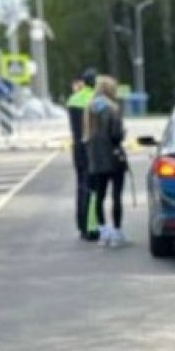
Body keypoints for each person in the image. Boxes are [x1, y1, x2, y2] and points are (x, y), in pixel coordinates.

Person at [83, 75, 129, 248]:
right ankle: (117, 232)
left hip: (95, 158)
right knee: (116, 196)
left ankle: (103, 232)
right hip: (113, 157)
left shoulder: (90, 108)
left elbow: (87, 134)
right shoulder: (112, 108)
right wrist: (123, 133)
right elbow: (116, 135)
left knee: (99, 196)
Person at [67, 68, 99, 241]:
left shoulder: (73, 99)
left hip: (77, 148)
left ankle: (80, 224)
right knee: (92, 188)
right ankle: (91, 227)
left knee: (80, 186)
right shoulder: (95, 100)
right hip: (91, 149)